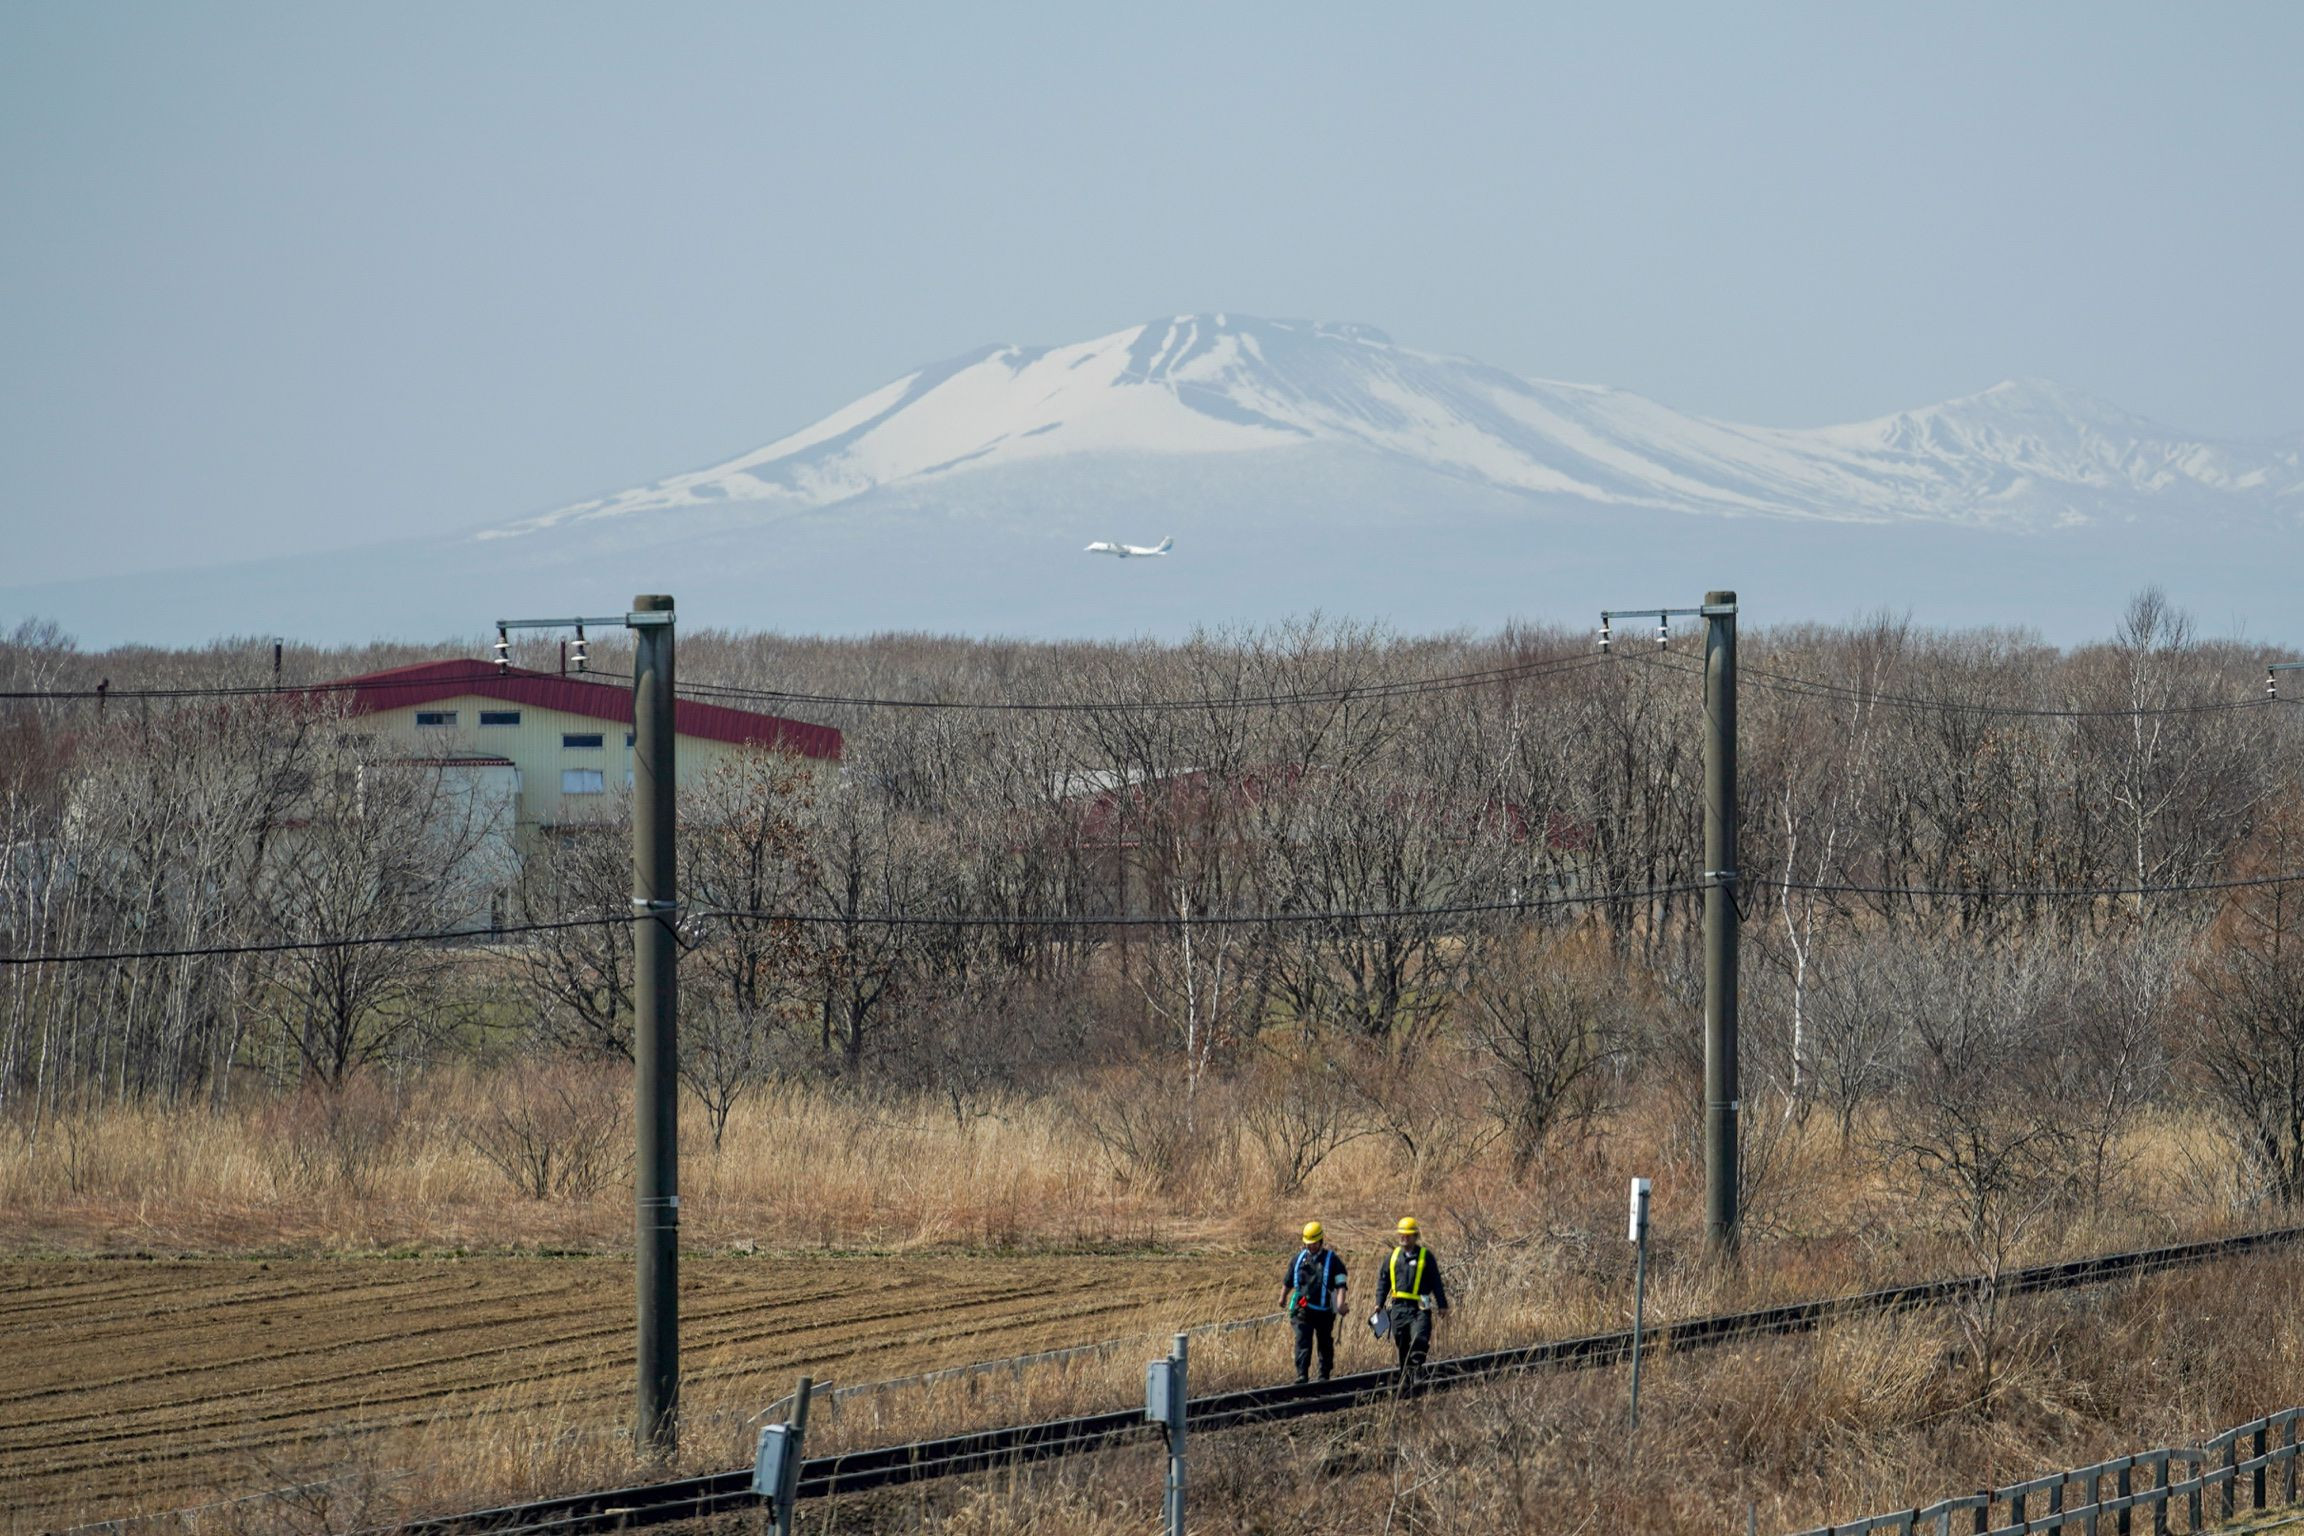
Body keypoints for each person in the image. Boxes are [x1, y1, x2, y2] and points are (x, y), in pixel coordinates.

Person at [1382, 1216, 1449, 1386]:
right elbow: (1383, 1281)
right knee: (1402, 1342)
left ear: (1415, 1236)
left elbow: (1436, 1282)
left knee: (1420, 1337)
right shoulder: (1392, 1257)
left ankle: (1416, 1369)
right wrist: (1378, 1303)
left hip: (1420, 1307)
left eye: (1408, 1234)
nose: (1404, 1237)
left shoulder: (1426, 1257)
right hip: (1398, 1307)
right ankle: (1406, 1376)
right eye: (1401, 1234)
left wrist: (1442, 1304)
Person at [1284, 1221, 1348, 1383]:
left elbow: (1341, 1284)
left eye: (1314, 1243)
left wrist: (1340, 1303)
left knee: (1325, 1342)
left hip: (1324, 1311)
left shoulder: (1332, 1260)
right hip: (1302, 1310)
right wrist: (1282, 1297)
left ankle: (1323, 1375)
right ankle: (1302, 1374)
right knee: (1302, 1340)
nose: (1311, 1246)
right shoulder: (1298, 1259)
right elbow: (1288, 1280)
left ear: (1321, 1241)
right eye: (1308, 1243)